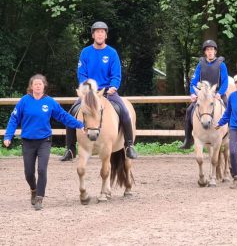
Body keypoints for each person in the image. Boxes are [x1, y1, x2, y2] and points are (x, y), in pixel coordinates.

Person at [3, 74, 84, 210]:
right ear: (31, 86)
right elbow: (14, 119)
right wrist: (8, 136)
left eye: (40, 84)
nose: (38, 86)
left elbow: (63, 116)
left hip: (44, 141)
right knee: (28, 173)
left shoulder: (50, 102)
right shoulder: (24, 101)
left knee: (41, 169)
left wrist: (79, 124)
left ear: (44, 86)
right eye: (35, 84)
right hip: (28, 141)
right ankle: (33, 190)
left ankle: (39, 198)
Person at [60, 21, 137, 161]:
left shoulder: (112, 53)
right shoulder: (85, 52)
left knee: (124, 111)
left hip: (107, 91)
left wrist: (113, 86)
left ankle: (129, 145)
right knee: (72, 111)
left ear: (106, 35)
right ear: (93, 35)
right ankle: (70, 149)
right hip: (89, 92)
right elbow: (81, 73)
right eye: (97, 32)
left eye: (102, 32)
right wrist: (86, 87)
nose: (100, 34)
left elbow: (116, 74)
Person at [179, 39, 229, 149]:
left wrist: (220, 93)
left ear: (215, 51)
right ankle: (188, 139)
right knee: (189, 111)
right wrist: (193, 93)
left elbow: (225, 81)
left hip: (217, 94)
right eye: (207, 50)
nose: (210, 52)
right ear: (205, 52)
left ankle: (233, 136)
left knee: (231, 109)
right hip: (203, 95)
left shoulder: (221, 65)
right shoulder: (200, 64)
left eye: (212, 49)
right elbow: (193, 81)